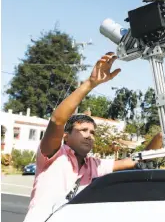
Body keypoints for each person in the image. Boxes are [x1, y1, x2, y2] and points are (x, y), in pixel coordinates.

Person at [23, 52, 137, 222]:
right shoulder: (54, 155)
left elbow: (133, 160)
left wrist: (161, 136)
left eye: (92, 132)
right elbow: (57, 119)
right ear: (66, 137)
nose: (89, 136)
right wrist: (90, 84)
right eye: (83, 130)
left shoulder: (94, 164)